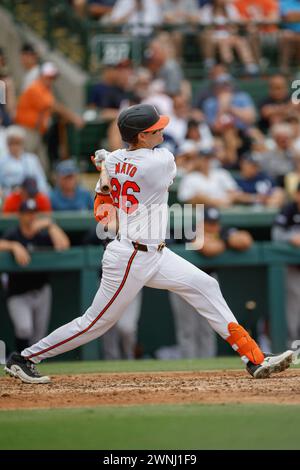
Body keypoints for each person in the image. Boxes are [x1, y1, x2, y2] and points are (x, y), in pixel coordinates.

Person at [4, 104, 293, 383]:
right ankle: (25, 358)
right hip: (130, 255)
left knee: (206, 285)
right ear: (141, 136)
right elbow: (133, 169)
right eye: (155, 129)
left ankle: (253, 357)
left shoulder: (115, 161)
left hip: (155, 253)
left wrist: (110, 164)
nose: (161, 131)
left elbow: (102, 210)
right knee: (95, 323)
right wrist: (112, 161)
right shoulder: (160, 161)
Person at [170, 206, 253, 359]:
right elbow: (207, 248)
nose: (212, 227)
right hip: (183, 282)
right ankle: (188, 366)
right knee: (188, 329)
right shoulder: (190, 229)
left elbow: (245, 240)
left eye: (215, 223)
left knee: (208, 328)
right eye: (209, 223)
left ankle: (207, 365)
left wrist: (223, 240)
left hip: (208, 280)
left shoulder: (221, 232)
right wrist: (225, 243)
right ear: (201, 222)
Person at [0, 199, 70, 353]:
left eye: (33, 213)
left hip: (41, 290)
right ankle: (19, 360)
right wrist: (13, 245)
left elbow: (63, 245)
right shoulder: (14, 233)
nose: (30, 217)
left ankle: (29, 364)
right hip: (18, 292)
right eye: (26, 213)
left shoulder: (42, 234)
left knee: (38, 338)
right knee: (24, 329)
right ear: (20, 215)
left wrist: (51, 225)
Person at [14, 62, 84, 171]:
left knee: (39, 164)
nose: (50, 80)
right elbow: (55, 106)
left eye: (52, 77)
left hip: (35, 132)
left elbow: (50, 108)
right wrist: (74, 118)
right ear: (41, 76)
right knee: (27, 162)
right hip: (27, 131)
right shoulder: (35, 88)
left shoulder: (46, 90)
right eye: (48, 77)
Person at [272, 183, 300, 345]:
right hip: (292, 268)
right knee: (294, 306)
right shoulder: (289, 210)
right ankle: (293, 345)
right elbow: (276, 235)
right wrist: (292, 237)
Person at [0, 125, 49, 197]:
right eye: (11, 143)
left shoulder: (32, 159)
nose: (14, 146)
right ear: (7, 144)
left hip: (31, 195)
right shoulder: (2, 161)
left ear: (23, 143)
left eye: (17, 143)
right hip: (9, 196)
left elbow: (41, 180)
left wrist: (41, 194)